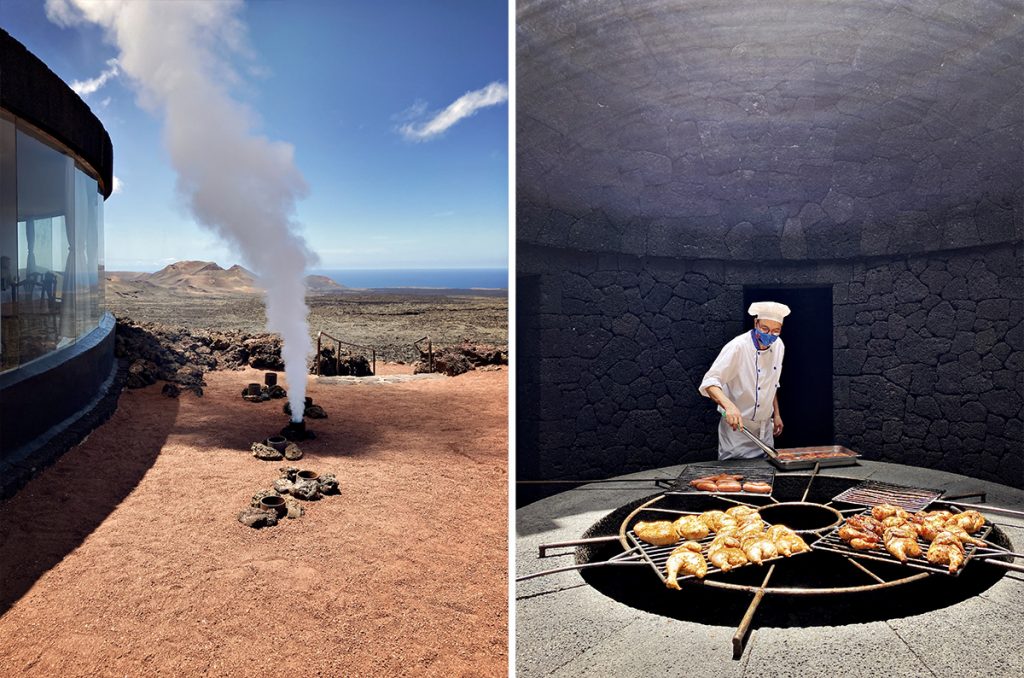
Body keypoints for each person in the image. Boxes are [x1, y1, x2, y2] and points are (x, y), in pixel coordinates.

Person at [698, 301, 790, 460]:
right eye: (765, 329)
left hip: (765, 429)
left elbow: (771, 383)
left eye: (776, 331)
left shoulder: (779, 346)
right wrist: (729, 406)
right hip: (738, 430)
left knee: (766, 475)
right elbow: (710, 382)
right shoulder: (738, 346)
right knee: (735, 476)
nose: (770, 335)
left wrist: (777, 414)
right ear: (756, 323)